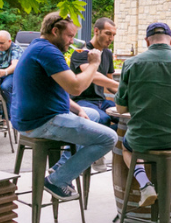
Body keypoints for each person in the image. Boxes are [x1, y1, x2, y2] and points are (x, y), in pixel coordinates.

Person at [10, 12, 118, 200]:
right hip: (41, 122)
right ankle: (57, 180)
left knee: (91, 114)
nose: (72, 41)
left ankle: (61, 166)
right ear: (54, 31)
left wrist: (78, 109)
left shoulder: (39, 47)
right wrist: (94, 63)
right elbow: (76, 87)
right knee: (109, 138)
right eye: (69, 35)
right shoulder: (48, 52)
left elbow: (53, 90)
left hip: (36, 115)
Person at [115, 23, 171, 207]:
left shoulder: (130, 64)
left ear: (147, 41)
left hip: (140, 140)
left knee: (125, 147)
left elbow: (121, 109)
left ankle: (145, 184)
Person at [70, 18, 119, 129]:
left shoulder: (107, 53)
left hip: (102, 101)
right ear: (96, 31)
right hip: (81, 101)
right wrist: (120, 85)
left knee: (130, 118)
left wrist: (129, 93)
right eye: (108, 34)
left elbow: (109, 83)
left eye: (113, 35)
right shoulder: (82, 51)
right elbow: (93, 76)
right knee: (103, 119)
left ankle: (117, 143)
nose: (111, 38)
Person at [0, 30, 23, 118]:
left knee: (5, 87)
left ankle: (10, 115)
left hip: (12, 73)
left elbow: (15, 65)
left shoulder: (16, 49)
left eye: (2, 43)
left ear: (9, 41)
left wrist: (4, 72)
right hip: (2, 73)